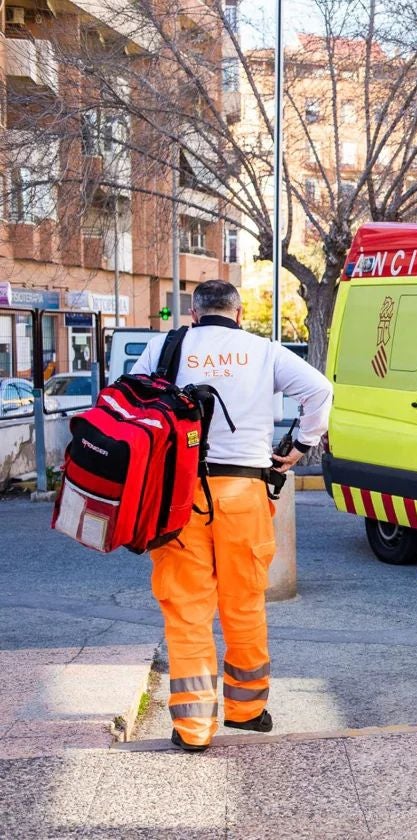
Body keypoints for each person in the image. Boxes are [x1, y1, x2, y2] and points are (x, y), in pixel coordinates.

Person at [131, 280, 332, 752]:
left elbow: (130, 406)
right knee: (243, 603)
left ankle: (194, 728)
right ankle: (246, 709)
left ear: (195, 314)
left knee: (187, 611)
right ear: (239, 313)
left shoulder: (164, 348)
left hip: (178, 497)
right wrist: (300, 445)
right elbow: (320, 389)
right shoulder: (262, 350)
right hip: (244, 491)